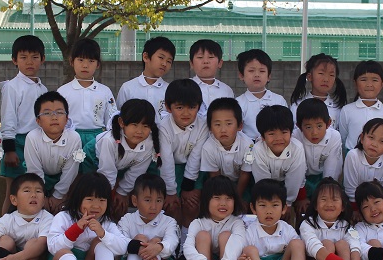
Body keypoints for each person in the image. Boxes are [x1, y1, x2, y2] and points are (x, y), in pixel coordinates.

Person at [45, 173, 127, 260]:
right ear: (78, 198)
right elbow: (53, 247)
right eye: (90, 199)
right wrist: (75, 229)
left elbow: (123, 247)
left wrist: (103, 234)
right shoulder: (63, 217)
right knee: (63, 252)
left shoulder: (106, 223)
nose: (96, 206)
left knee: (100, 242)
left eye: (102, 200)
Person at [82, 99, 161, 219]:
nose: (139, 131)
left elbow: (137, 171)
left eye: (145, 126)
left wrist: (122, 192)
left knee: (120, 200)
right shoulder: (109, 141)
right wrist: (108, 198)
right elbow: (107, 172)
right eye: (134, 125)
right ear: (121, 122)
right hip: (92, 161)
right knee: (92, 191)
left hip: (122, 164)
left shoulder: (149, 143)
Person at [237, 180, 312, 260]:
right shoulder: (249, 231)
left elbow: (298, 255)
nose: (269, 211)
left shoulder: (287, 229)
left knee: (297, 244)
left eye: (275, 205)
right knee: (249, 250)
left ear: (284, 208)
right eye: (262, 205)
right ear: (253, 208)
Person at [0, 35, 48, 215]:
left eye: (35, 57)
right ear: (14, 60)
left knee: (34, 190)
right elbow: (8, 118)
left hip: (38, 143)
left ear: (42, 59)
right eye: (23, 57)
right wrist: (9, 149)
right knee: (13, 192)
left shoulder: (43, 89)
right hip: (17, 143)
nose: (29, 62)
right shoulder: (12, 87)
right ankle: (3, 228)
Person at [181, 175, 247, 260]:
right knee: (202, 235)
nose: (223, 203)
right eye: (217, 198)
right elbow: (187, 248)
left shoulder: (236, 223)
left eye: (228, 198)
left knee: (226, 235)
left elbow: (239, 243)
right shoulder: (198, 223)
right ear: (206, 200)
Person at [299, 178, 363, 260]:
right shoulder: (308, 224)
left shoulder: (346, 225)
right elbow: (314, 247)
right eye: (324, 199)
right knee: (326, 243)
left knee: (343, 244)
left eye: (334, 199)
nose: (329, 204)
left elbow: (355, 243)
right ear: (315, 205)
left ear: (343, 206)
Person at [117, 173, 180, 260]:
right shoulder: (127, 220)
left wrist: (158, 247)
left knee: (156, 241)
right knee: (139, 239)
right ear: (135, 200)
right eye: (147, 200)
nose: (153, 206)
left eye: (159, 200)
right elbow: (119, 242)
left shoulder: (169, 222)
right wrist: (138, 247)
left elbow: (172, 241)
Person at [157, 79, 208, 229]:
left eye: (192, 107)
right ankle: (173, 237)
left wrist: (188, 187)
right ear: (168, 107)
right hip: (167, 169)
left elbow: (196, 157)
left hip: (193, 170)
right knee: (171, 206)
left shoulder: (203, 126)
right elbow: (166, 161)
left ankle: (188, 237)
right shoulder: (163, 128)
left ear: (199, 107)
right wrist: (171, 192)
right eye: (179, 107)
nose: (186, 113)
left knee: (191, 204)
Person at [23, 91, 84, 214]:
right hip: (37, 179)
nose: (54, 117)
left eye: (60, 112)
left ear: (67, 118)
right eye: (47, 113)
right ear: (38, 121)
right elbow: (34, 170)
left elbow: (70, 171)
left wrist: (58, 196)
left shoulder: (74, 138)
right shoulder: (32, 137)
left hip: (64, 180)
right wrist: (42, 196)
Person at [55, 38, 117, 149]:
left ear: (98, 64)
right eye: (80, 60)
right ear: (71, 61)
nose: (85, 65)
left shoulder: (105, 91)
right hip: (70, 138)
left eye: (91, 61)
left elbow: (111, 120)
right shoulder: (63, 91)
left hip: (98, 139)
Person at [248, 105, 307, 208]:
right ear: (262, 137)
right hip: (265, 186)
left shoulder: (297, 149)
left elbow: (294, 180)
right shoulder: (258, 149)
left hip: (291, 187)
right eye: (271, 134)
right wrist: (271, 205)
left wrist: (287, 204)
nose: (278, 138)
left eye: (284, 132)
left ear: (291, 133)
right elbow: (263, 182)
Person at [292, 98, 343, 216]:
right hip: (301, 178)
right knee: (302, 208)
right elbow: (297, 168)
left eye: (319, 126)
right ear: (299, 126)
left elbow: (331, 170)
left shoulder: (334, 137)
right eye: (308, 127)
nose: (314, 132)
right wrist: (301, 196)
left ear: (328, 123)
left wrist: (325, 197)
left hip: (323, 177)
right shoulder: (295, 137)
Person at [338, 60, 383, 158]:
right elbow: (343, 138)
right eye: (363, 80)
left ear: (382, 84)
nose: (369, 84)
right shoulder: (347, 110)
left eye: (375, 80)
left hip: (379, 159)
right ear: (355, 83)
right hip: (352, 157)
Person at [200, 98, 255, 199]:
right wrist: (225, 198)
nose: (223, 130)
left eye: (229, 124)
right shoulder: (208, 147)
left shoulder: (249, 145)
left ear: (240, 126)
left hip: (241, 184)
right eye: (217, 124)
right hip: (218, 184)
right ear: (210, 128)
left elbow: (245, 173)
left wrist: (237, 198)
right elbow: (215, 175)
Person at [116, 36, 176, 120]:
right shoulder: (128, 88)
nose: (164, 64)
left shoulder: (171, 90)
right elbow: (119, 115)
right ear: (146, 57)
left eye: (169, 61)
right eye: (161, 58)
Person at [343, 117, 383, 207]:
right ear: (362, 138)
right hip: (354, 202)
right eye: (371, 137)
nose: (374, 144)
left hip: (378, 203)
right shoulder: (352, 156)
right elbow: (350, 187)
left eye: (382, 141)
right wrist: (356, 209)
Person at [235, 49, 288, 140]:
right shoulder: (238, 103)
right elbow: (237, 131)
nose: (257, 75)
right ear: (241, 75)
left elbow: (286, 125)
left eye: (262, 71)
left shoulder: (279, 100)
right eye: (251, 71)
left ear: (269, 76)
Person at [289, 53, 348, 131]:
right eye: (321, 73)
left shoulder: (338, 108)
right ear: (310, 77)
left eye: (331, 75)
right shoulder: (297, 106)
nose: (326, 79)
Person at [189, 39, 235, 117]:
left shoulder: (226, 90)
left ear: (220, 63)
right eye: (200, 57)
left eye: (211, 57)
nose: (205, 61)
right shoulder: (184, 87)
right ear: (191, 63)